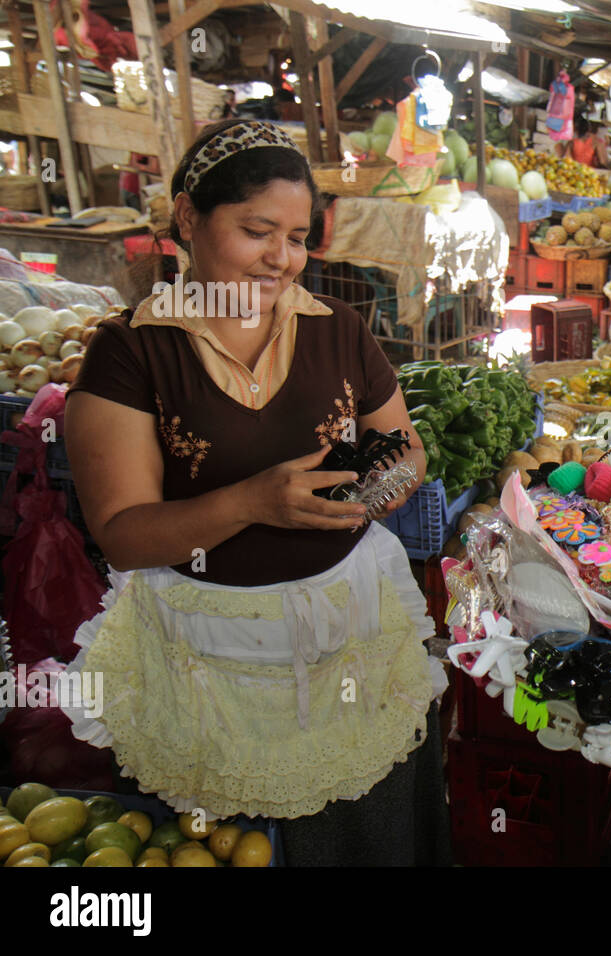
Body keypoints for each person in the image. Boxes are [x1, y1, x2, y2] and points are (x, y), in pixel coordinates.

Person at [60, 119, 448, 865]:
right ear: (187, 218)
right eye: (257, 230)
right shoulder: (132, 352)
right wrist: (250, 503)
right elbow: (123, 532)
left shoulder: (337, 329)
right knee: (238, 842)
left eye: (298, 237)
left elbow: (407, 448)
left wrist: (384, 490)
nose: (282, 259)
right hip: (210, 657)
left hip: (349, 633)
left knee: (365, 829)